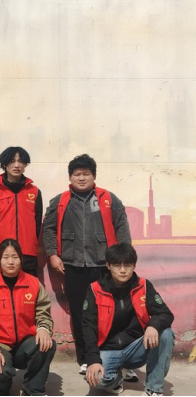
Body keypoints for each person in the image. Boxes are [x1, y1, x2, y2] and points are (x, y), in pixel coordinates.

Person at [42, 154, 132, 375]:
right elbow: (48, 229)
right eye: (77, 174)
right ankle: (85, 358)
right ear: (70, 177)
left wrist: (122, 258)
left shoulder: (108, 199)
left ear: (94, 176)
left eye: (86, 174)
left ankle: (116, 357)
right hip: (72, 266)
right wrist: (52, 254)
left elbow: (122, 227)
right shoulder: (60, 201)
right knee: (80, 313)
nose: (81, 178)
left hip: (104, 265)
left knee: (111, 311)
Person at [83, 243, 175, 397]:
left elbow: (165, 313)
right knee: (96, 380)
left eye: (127, 265)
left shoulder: (143, 286)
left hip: (136, 348)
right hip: (108, 350)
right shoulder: (95, 289)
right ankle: (117, 377)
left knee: (165, 334)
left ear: (134, 266)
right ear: (108, 266)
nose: (123, 270)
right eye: (117, 265)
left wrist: (153, 325)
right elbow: (88, 326)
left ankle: (153, 389)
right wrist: (93, 360)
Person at [0, 239, 56, 397]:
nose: (10, 262)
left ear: (21, 259)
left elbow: (43, 312)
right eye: (6, 257)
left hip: (25, 345)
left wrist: (43, 329)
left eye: (15, 257)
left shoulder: (33, 283)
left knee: (47, 345)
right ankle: (2, 387)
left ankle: (33, 389)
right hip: (0, 344)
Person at [0, 147, 43, 277]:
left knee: (29, 289)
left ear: (25, 164)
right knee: (1, 288)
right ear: (4, 164)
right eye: (12, 161)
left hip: (28, 253)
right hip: (2, 254)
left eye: (20, 161)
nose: (16, 165)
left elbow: (37, 224)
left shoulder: (34, 192)